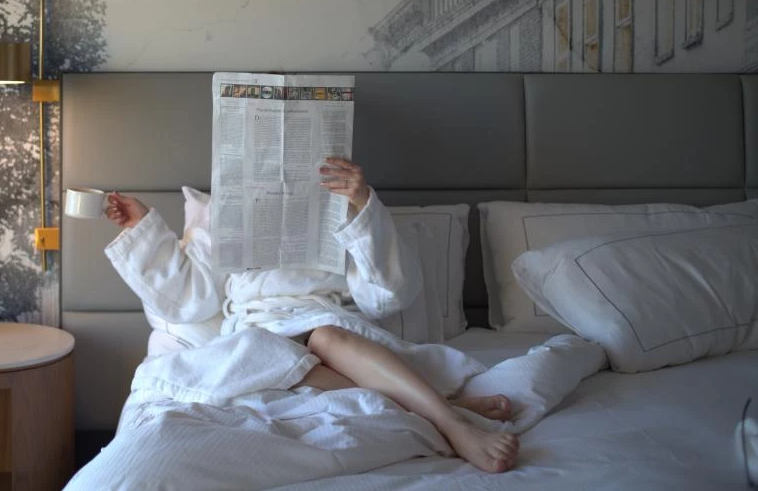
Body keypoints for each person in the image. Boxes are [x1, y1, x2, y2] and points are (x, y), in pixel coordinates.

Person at [104, 157, 519, 474]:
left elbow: (386, 295)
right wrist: (142, 229)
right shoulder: (224, 211)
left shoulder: (341, 205)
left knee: (326, 338)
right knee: (273, 359)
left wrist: (361, 204)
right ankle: (442, 407)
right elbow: (190, 301)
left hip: (324, 319)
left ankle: (453, 423)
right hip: (258, 329)